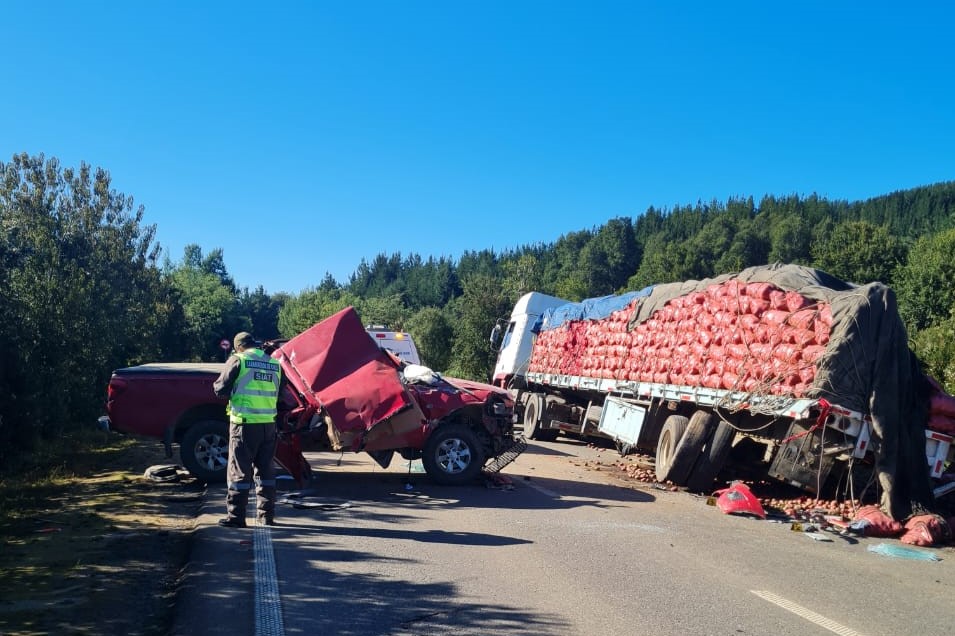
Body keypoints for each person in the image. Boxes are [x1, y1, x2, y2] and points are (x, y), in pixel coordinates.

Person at [213, 331, 282, 528]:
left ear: (239, 347)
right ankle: (266, 516)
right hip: (268, 424)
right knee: (266, 471)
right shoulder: (274, 363)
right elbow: (281, 392)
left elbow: (219, 389)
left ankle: (236, 516)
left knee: (239, 471)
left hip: (244, 424)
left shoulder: (239, 360)